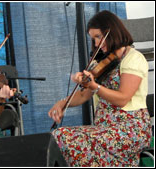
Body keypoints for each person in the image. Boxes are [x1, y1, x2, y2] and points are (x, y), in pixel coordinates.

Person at [48, 10, 152, 167]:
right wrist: (62, 103)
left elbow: (123, 98)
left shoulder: (134, 58)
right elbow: (84, 95)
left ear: (112, 31)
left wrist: (94, 86)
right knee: (56, 137)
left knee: (64, 136)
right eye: (93, 39)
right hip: (104, 128)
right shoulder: (99, 62)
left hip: (130, 128)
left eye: (98, 37)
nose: (96, 44)